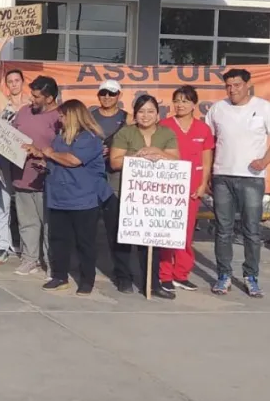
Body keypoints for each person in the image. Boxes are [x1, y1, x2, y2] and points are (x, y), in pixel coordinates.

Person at [205, 68, 270, 297]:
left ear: (247, 85)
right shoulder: (217, 109)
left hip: (252, 178)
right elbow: (209, 143)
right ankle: (223, 275)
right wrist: (209, 174)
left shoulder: (264, 107)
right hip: (222, 176)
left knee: (251, 230)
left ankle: (251, 276)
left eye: (237, 85)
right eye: (228, 86)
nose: (232, 90)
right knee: (223, 230)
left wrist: (265, 160)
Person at [25, 100, 109, 295]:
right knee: (59, 240)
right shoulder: (60, 138)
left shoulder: (90, 138)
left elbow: (73, 160)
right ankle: (59, 276)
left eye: (62, 116)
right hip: (58, 196)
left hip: (83, 199)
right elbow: (55, 159)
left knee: (84, 241)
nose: (59, 119)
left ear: (72, 116)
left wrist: (50, 153)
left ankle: (87, 279)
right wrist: (40, 156)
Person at [109, 95, 180, 299]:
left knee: (150, 241)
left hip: (154, 196)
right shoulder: (125, 132)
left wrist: (158, 151)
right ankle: (123, 276)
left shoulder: (166, 133)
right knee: (122, 238)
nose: (146, 116)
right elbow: (114, 162)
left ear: (158, 114)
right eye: (141, 111)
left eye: (150, 111)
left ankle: (152, 282)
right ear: (135, 114)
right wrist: (136, 156)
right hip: (124, 192)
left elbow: (176, 159)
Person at [159, 86, 214, 293]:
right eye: (177, 101)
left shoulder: (203, 129)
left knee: (185, 233)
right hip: (169, 187)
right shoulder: (164, 126)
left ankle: (181, 274)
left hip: (192, 187)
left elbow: (206, 160)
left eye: (185, 101)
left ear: (194, 104)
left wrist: (203, 184)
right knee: (167, 232)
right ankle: (164, 275)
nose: (180, 105)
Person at [11, 76, 61, 277]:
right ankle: (30, 259)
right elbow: (10, 135)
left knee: (49, 224)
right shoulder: (23, 112)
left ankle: (52, 264)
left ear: (49, 98)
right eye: (32, 94)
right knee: (27, 222)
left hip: (47, 180)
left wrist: (43, 155)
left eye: (36, 96)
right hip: (21, 176)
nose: (32, 99)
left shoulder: (60, 116)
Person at [0, 36, 29, 264]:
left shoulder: (32, 103)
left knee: (24, 204)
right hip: (5, 157)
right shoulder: (2, 102)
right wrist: (1, 44)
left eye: (16, 80)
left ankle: (26, 246)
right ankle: (1, 244)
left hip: (27, 159)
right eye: (10, 81)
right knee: (3, 200)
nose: (13, 84)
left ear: (23, 82)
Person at [90, 79, 130, 292]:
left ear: (119, 96)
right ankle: (84, 268)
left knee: (116, 228)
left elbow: (136, 144)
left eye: (111, 94)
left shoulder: (128, 119)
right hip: (92, 176)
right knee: (87, 225)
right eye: (103, 93)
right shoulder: (90, 117)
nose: (107, 97)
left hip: (116, 177)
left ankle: (122, 273)